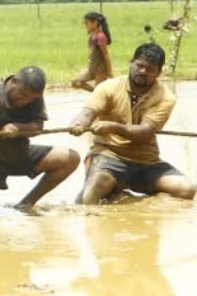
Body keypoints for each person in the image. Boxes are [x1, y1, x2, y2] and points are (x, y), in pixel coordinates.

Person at [68, 42, 195, 204]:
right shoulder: (108, 87)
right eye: (139, 65)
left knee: (187, 189)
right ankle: (110, 195)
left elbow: (145, 133)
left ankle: (126, 196)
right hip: (108, 155)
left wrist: (112, 127)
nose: (142, 71)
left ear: (158, 73)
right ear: (131, 63)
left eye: (150, 69)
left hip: (146, 160)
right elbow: (88, 112)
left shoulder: (166, 97)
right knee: (92, 192)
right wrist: (79, 123)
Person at [0, 66, 79, 215]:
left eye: (31, 98)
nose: (25, 101)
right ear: (14, 81)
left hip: (19, 152)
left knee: (70, 158)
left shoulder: (33, 96)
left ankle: (25, 204)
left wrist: (18, 127)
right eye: (22, 95)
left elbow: (38, 127)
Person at [71, 11, 113, 91]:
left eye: (87, 23)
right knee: (75, 82)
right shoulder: (92, 36)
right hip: (91, 68)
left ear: (95, 23)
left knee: (99, 92)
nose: (85, 25)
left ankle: (99, 95)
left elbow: (106, 55)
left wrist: (109, 72)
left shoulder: (101, 37)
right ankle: (96, 94)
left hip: (100, 70)